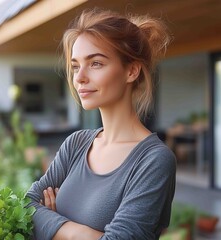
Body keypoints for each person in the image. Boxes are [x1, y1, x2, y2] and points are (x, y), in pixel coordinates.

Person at [27, 8, 176, 240]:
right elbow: (27, 205)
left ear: (132, 71)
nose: (79, 77)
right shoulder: (76, 143)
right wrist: (84, 233)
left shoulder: (154, 160)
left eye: (95, 63)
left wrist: (52, 224)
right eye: (76, 66)